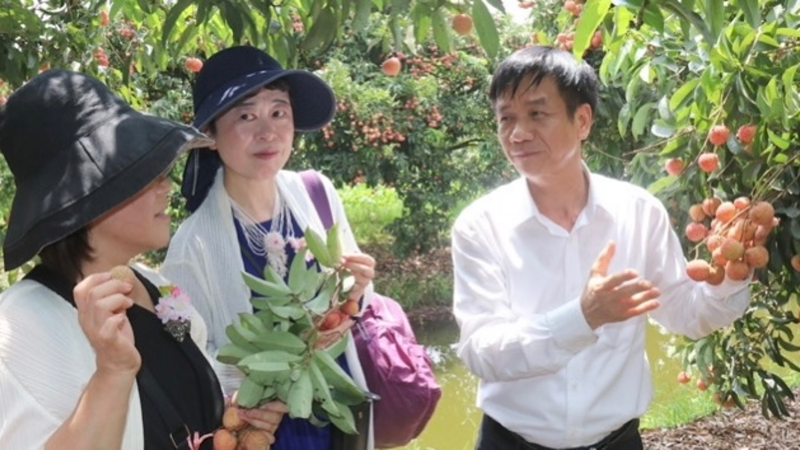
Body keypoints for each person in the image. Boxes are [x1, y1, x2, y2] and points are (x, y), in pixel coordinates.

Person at [451, 45, 752, 450]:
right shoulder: (480, 225)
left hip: (618, 442)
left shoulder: (638, 211)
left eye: (537, 113)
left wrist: (732, 274)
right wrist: (583, 317)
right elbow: (480, 350)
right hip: (511, 442)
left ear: (582, 120)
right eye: (506, 118)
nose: (518, 133)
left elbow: (683, 312)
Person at [0, 70, 277, 449]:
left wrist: (239, 422)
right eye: (146, 173)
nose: (166, 185)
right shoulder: (19, 327)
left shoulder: (155, 287)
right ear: (89, 199)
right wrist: (112, 372)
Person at [161, 46, 377, 450]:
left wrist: (357, 290)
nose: (268, 132)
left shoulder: (316, 193)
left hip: (336, 421)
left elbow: (354, 306)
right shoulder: (194, 246)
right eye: (246, 116)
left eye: (279, 112)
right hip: (267, 433)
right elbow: (188, 358)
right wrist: (253, 378)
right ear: (209, 134)